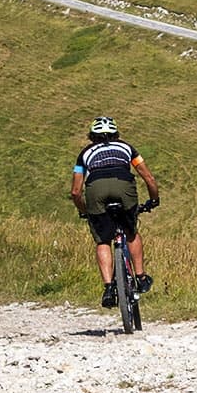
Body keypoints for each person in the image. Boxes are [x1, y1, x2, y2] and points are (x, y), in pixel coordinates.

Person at [70, 116, 160, 307]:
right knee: (131, 232)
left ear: (91, 136)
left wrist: (86, 211)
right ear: (116, 134)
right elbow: (149, 178)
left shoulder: (84, 153)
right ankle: (141, 277)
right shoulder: (127, 148)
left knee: (103, 239)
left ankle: (109, 287)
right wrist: (153, 200)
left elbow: (76, 191)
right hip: (123, 186)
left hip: (96, 190)